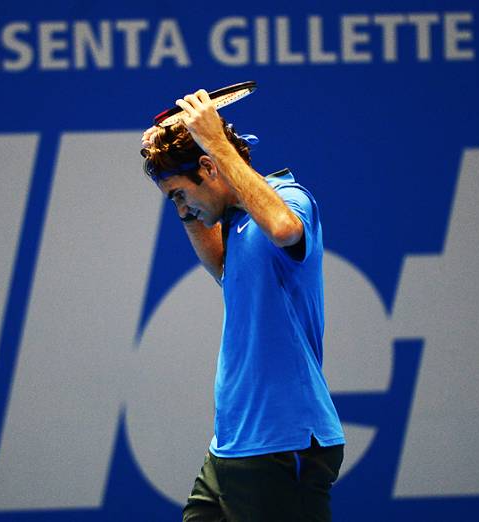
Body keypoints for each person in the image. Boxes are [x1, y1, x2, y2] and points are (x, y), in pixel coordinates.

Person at [140, 88, 345, 521]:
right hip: (232, 447)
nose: (182, 208)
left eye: (181, 194)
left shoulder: (289, 198)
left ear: (210, 167)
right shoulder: (233, 227)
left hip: (283, 444)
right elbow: (220, 267)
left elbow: (286, 229)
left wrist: (213, 140)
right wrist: (167, 164)